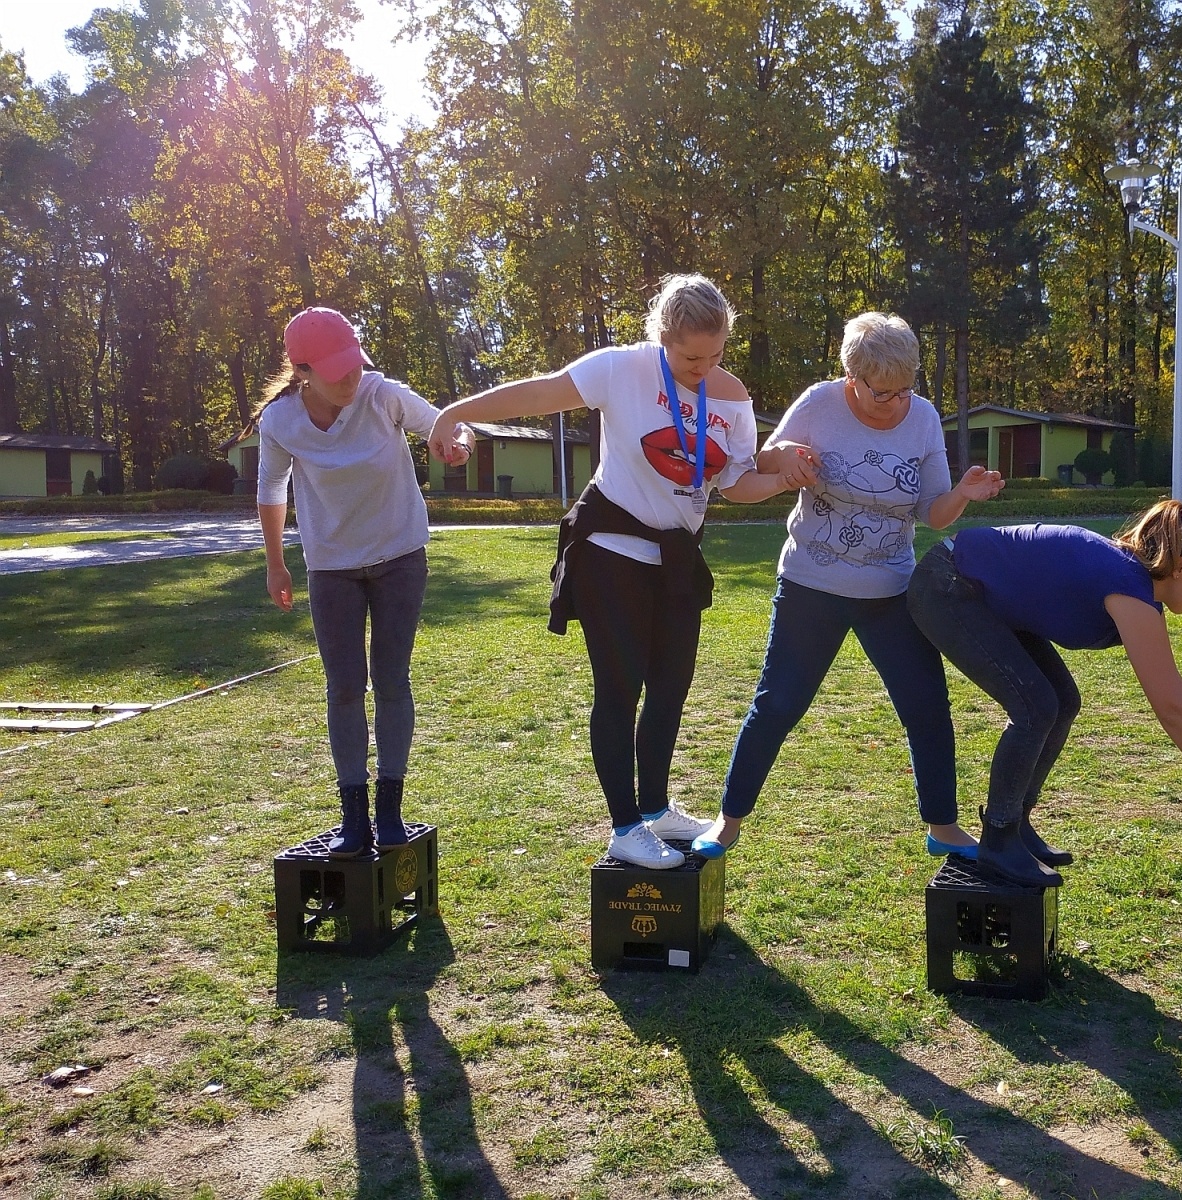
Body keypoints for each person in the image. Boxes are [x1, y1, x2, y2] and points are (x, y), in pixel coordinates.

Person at [426, 274, 798, 869]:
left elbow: (735, 482)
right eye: (689, 357)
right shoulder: (620, 368)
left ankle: (654, 810)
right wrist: (455, 410)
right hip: (610, 550)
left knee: (671, 690)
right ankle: (624, 827)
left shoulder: (730, 396)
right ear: (662, 339)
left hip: (676, 559)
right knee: (620, 689)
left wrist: (779, 480)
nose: (702, 367)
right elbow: (541, 392)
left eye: (714, 355)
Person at [689, 313, 1005, 860]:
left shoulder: (924, 418)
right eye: (883, 393)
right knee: (778, 704)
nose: (897, 403)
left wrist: (963, 493)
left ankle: (944, 826)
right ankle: (728, 820)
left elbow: (933, 513)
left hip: (891, 590)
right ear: (851, 377)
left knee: (926, 706)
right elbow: (762, 460)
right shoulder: (818, 403)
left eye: (906, 389)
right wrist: (787, 459)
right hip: (812, 585)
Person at [906, 501, 1182, 888]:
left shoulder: (1138, 587)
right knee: (1036, 707)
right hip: (948, 583)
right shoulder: (1127, 584)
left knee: (1061, 700)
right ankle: (999, 837)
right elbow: (1172, 707)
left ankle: (1015, 823)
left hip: (984, 592)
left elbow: (1176, 698)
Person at [257, 306, 474, 858]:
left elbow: (450, 425)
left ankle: (391, 811)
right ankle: (353, 817)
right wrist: (276, 563)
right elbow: (271, 491)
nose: (351, 377)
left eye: (354, 364)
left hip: (400, 556)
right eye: (337, 371)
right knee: (346, 687)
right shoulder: (281, 422)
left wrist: (456, 445)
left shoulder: (383, 396)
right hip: (330, 567)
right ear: (303, 371)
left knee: (392, 678)